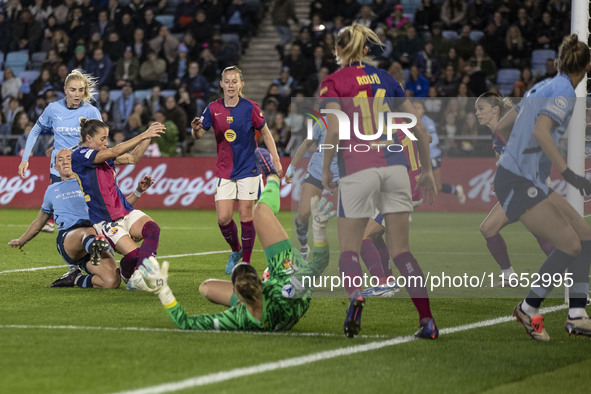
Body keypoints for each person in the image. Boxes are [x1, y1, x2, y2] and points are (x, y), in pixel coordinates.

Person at [320, 24, 438, 339]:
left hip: (358, 168)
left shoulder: (333, 83)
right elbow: (420, 131)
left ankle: (355, 296)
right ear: (365, 50)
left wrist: (325, 170)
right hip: (396, 169)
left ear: (338, 51)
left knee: (348, 248)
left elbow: (332, 130)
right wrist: (426, 171)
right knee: (402, 251)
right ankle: (427, 320)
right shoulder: (388, 80)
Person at [140, 169, 334, 332]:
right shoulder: (284, 291)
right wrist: (318, 230)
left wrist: (162, 289)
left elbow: (185, 322)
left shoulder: (240, 317)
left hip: (274, 305)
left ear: (238, 296)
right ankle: (273, 178)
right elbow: (319, 263)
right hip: (285, 274)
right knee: (260, 211)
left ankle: (273, 177)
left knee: (205, 287)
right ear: (260, 282)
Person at [493, 35, 591, 340]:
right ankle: (528, 307)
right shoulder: (564, 92)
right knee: (571, 245)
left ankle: (577, 313)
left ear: (560, 62)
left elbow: (502, 125)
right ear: (587, 67)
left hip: (524, 177)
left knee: (585, 235)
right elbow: (541, 130)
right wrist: (569, 174)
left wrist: (519, 153)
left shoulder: (542, 85)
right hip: (518, 182)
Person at [9, 149, 154, 289]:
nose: (65, 161)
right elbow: (39, 221)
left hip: (94, 237)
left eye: (69, 158)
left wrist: (138, 191)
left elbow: (119, 208)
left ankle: (75, 278)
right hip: (70, 238)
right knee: (88, 231)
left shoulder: (92, 183)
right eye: (60, 159)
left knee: (111, 281)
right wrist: (21, 240)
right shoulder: (52, 190)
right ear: (55, 167)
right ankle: (100, 244)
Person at [190, 66, 283, 275]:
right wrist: (195, 129)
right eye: (227, 81)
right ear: (221, 84)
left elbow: (266, 134)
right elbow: (198, 135)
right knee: (223, 218)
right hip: (224, 170)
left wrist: (276, 159)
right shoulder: (213, 108)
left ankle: (246, 264)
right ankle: (236, 251)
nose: (231, 85)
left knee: (245, 215)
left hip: (249, 169)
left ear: (241, 84)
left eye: (235, 81)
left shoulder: (250, 107)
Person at [70, 117, 166, 291]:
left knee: (153, 229)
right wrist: (143, 134)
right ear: (89, 138)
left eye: (107, 138)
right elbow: (114, 152)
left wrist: (149, 136)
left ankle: (137, 275)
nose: (106, 142)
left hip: (125, 211)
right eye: (102, 139)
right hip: (105, 220)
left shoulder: (104, 155)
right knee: (134, 256)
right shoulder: (79, 155)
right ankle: (129, 275)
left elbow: (133, 158)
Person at [476, 92, 555, 286]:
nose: (477, 113)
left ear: (495, 109)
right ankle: (509, 276)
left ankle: (576, 285)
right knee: (490, 228)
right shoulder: (496, 133)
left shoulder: (507, 129)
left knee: (541, 235)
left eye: (480, 108)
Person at [18, 70, 102, 237]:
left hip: (83, 166)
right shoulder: (53, 109)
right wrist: (25, 158)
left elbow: (101, 138)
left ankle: (92, 241)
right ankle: (70, 250)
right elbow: (35, 130)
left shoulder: (91, 111)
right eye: (72, 90)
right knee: (65, 210)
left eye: (80, 90)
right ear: (65, 90)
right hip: (60, 166)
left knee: (87, 210)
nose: (77, 94)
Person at [285, 117, 339, 261]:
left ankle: (348, 257)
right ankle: (304, 247)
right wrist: (291, 167)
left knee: (347, 218)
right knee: (302, 215)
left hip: (340, 174)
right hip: (317, 170)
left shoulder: (356, 123)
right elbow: (306, 143)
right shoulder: (323, 121)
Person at [413, 100, 465, 203]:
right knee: (413, 183)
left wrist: (421, 147)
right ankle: (407, 211)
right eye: (414, 108)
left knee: (437, 187)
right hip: (417, 158)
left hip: (432, 157)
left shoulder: (427, 121)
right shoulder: (408, 121)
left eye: (418, 108)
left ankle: (457, 191)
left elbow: (434, 140)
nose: (416, 110)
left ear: (423, 110)